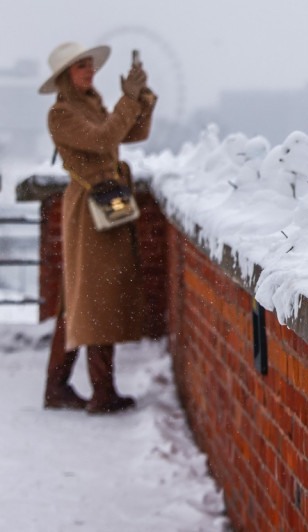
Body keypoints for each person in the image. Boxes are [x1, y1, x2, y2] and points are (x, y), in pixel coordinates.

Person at [38, 41, 157, 414]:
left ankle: (57, 387)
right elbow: (104, 138)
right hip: (91, 209)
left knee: (79, 302)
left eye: (90, 65)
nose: (90, 71)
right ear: (65, 77)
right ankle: (102, 393)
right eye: (81, 67)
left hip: (104, 203)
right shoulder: (61, 113)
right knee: (95, 300)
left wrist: (143, 100)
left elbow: (129, 134)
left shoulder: (91, 105)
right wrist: (127, 100)